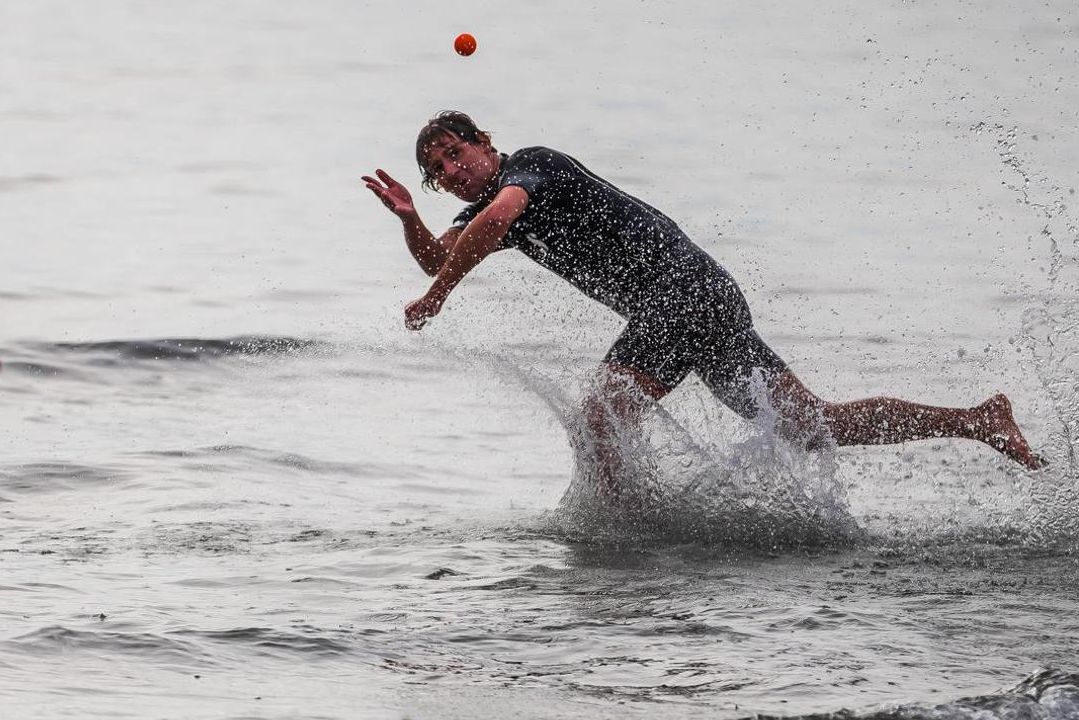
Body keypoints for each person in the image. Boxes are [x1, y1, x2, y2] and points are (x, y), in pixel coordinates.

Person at [363, 111, 1042, 486]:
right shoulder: (482, 210)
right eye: (437, 173)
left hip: (683, 292)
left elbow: (487, 230)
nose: (450, 172)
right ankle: (977, 419)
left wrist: (440, 295)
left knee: (602, 410)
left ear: (485, 141)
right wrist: (408, 221)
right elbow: (443, 256)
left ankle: (629, 538)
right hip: (701, 301)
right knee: (811, 427)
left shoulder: (528, 168)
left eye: (456, 153)